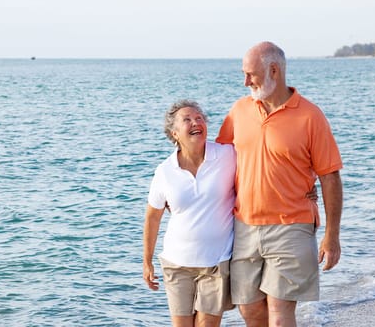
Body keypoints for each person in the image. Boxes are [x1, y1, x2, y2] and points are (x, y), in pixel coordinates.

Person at [216, 41, 344, 327]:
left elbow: (330, 176)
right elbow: (218, 161)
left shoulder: (310, 116)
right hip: (244, 227)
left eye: (250, 74)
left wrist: (332, 236)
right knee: (249, 309)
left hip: (292, 226)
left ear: (274, 70)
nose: (245, 81)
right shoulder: (239, 110)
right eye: (244, 74)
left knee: (279, 310)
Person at [143, 100, 236, 327]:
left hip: (216, 262)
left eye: (199, 118)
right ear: (174, 133)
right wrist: (147, 261)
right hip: (177, 264)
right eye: (187, 120)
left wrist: (305, 187)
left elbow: (264, 164)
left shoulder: (227, 155)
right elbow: (153, 217)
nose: (196, 122)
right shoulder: (165, 171)